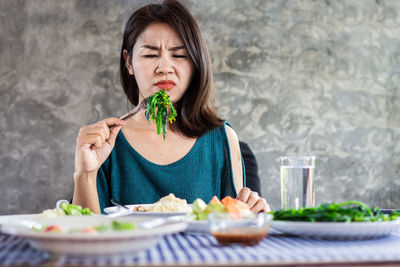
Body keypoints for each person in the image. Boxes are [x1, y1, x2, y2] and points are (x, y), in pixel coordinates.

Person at [72, 0, 270, 214]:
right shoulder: (106, 143)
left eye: (179, 55)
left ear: (196, 63)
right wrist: (85, 174)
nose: (165, 68)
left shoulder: (222, 138)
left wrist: (255, 211)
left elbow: (236, 226)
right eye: (150, 55)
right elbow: (85, 236)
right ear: (128, 62)